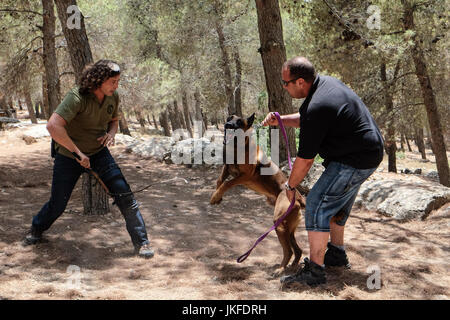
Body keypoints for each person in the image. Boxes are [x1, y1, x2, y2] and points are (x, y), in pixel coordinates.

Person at [261, 56, 384, 286]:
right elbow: (308, 119)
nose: (284, 87)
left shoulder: (318, 104)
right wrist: (281, 120)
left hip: (354, 159)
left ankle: (315, 272)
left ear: (299, 82)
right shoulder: (324, 86)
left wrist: (290, 187)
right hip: (367, 153)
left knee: (316, 203)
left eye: (285, 83)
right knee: (336, 206)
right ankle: (336, 255)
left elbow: (305, 160)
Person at [24, 60, 154, 259]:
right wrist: (78, 153)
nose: (116, 86)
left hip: (99, 153)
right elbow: (52, 126)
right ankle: (36, 228)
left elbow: (114, 121)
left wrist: (111, 134)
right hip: (69, 156)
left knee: (125, 196)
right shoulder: (77, 97)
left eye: (118, 81)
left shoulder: (113, 97)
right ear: (99, 79)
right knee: (58, 203)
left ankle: (142, 243)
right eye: (112, 81)